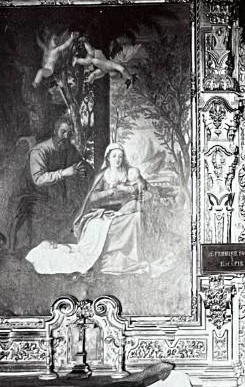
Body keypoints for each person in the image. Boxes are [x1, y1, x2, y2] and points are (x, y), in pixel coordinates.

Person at [25, 143, 150, 276]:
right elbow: (92, 198)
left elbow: (143, 188)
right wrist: (109, 192)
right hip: (103, 212)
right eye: (114, 156)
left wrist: (139, 184)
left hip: (124, 210)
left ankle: (132, 256)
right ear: (108, 158)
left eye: (120, 156)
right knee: (97, 226)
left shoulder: (130, 172)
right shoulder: (103, 175)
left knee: (137, 217)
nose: (117, 159)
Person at [10, 116, 87, 252]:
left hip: (54, 194)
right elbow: (38, 179)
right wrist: (64, 173)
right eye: (63, 132)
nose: (66, 136)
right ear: (55, 131)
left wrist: (81, 171)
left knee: (77, 207)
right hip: (31, 195)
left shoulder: (70, 149)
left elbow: (80, 165)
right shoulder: (40, 151)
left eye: (69, 133)